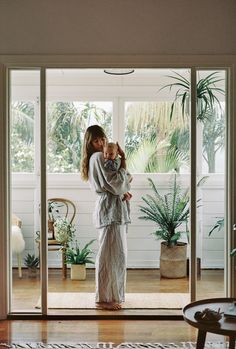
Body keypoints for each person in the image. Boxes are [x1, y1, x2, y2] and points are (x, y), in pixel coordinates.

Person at [81, 125, 131, 310]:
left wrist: (123, 187)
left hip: (112, 208)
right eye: (96, 140)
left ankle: (110, 295)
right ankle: (104, 299)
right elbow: (118, 184)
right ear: (90, 143)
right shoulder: (98, 157)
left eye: (102, 139)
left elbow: (120, 183)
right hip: (110, 209)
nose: (101, 143)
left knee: (114, 253)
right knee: (110, 255)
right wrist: (124, 182)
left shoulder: (103, 157)